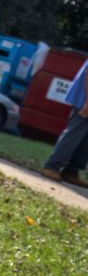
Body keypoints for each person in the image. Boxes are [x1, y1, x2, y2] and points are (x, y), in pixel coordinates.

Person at [41, 58, 88, 188]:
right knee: (74, 135)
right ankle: (52, 166)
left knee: (84, 140)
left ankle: (71, 171)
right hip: (84, 102)